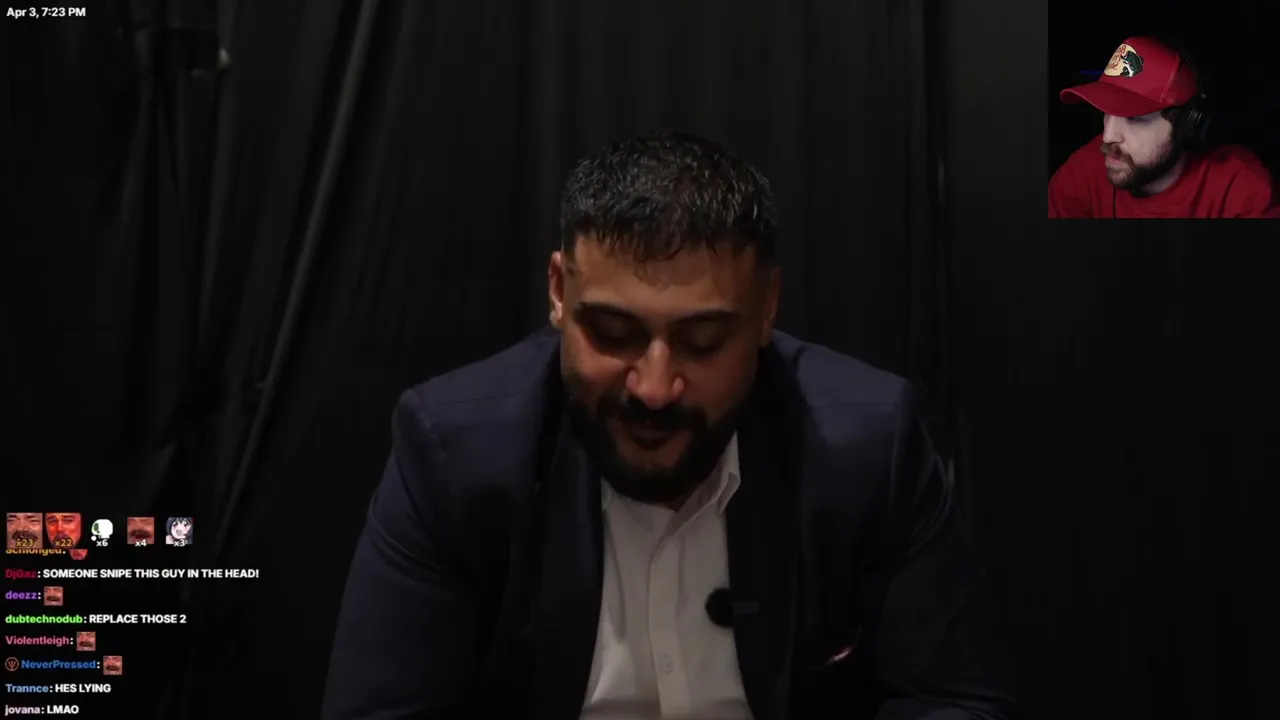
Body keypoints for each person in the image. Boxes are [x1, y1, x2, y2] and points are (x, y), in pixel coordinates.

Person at [322, 132, 1020, 719]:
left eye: (704, 341)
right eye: (613, 332)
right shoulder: (454, 452)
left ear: (767, 309)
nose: (654, 388)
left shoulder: (869, 443)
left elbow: (960, 704)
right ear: (559, 292)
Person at [1049, 36, 1280, 218]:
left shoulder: (1242, 191)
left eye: (1134, 118)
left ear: (1187, 125)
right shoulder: (1081, 174)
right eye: (1106, 112)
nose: (1108, 137)